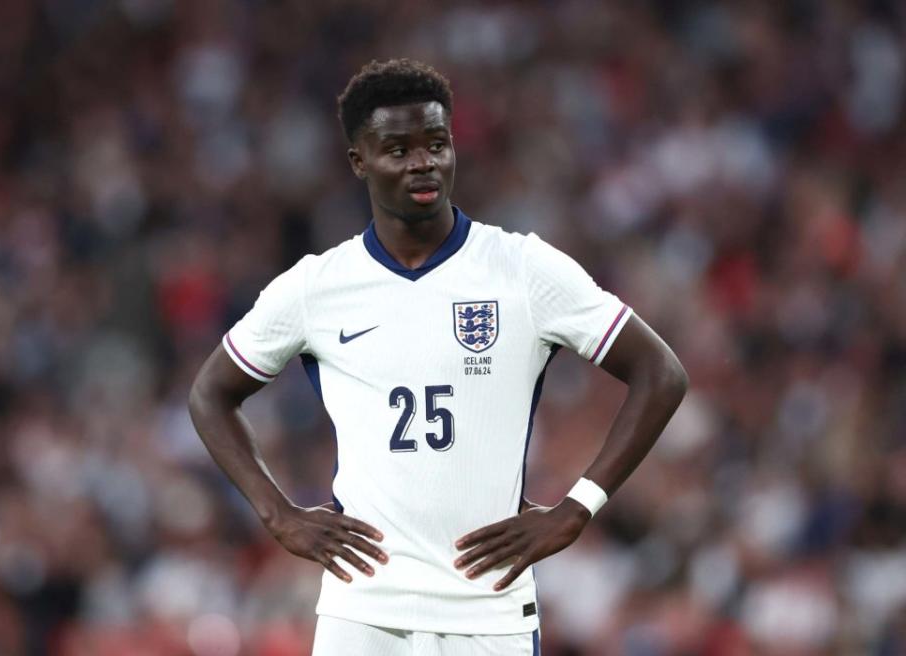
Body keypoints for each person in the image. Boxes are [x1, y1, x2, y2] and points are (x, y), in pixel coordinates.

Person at [188, 58, 688, 656]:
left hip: (489, 608)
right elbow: (210, 394)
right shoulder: (317, 286)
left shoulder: (522, 268)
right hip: (363, 609)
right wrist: (277, 513)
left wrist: (577, 508)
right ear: (359, 161)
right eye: (397, 149)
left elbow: (662, 373)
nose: (423, 161)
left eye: (437, 143)